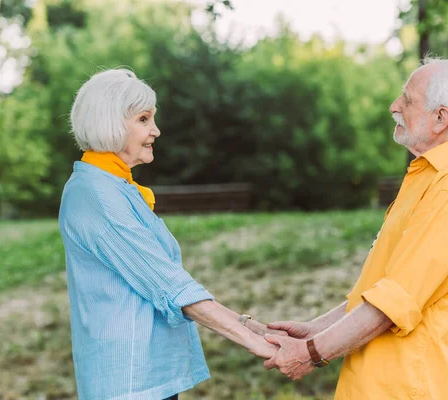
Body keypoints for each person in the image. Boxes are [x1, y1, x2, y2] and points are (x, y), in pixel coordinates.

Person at [263, 58, 448, 400]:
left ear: (441, 118)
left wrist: (310, 353)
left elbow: (392, 305)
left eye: (407, 99)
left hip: (412, 389)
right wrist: (317, 328)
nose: (394, 107)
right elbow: (385, 286)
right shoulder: (433, 177)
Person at [58, 69, 281, 400]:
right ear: (110, 122)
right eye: (144, 119)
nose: (156, 131)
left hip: (149, 376)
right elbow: (170, 286)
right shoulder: (95, 194)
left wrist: (251, 324)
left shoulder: (116, 187)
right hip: (128, 382)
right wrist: (257, 343)